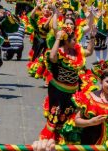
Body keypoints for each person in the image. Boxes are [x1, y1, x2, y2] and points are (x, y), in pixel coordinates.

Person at [34, 13, 95, 142]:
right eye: (73, 40)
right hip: (57, 91)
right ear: (66, 40)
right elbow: (52, 57)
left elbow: (89, 52)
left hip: (73, 90)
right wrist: (57, 38)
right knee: (55, 115)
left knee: (68, 115)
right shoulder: (60, 52)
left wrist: (93, 37)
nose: (76, 41)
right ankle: (48, 140)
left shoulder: (77, 50)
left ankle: (64, 139)